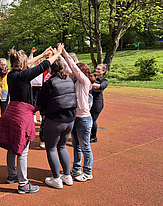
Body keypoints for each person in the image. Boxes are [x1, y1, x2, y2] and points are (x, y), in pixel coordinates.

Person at [0, 44, 63, 194]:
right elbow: (43, 66)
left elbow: (30, 64)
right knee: (22, 151)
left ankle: (12, 175)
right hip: (21, 115)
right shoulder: (23, 75)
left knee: (11, 147)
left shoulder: (11, 73)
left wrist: (43, 54)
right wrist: (58, 54)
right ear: (22, 65)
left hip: (11, 112)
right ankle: (23, 184)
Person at [36, 58, 77, 189]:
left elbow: (40, 101)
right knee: (62, 146)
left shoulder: (50, 83)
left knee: (51, 148)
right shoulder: (69, 80)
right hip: (70, 120)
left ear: (50, 68)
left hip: (55, 120)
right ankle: (67, 175)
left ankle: (56, 178)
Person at [61, 48, 96, 182]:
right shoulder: (75, 81)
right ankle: (76, 167)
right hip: (75, 118)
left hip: (83, 119)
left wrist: (65, 54)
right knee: (76, 145)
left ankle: (88, 171)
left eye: (76, 71)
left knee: (85, 146)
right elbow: (67, 68)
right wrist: (58, 55)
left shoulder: (84, 81)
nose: (72, 73)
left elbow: (73, 69)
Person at [90, 64, 109, 143]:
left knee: (92, 119)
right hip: (89, 101)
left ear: (103, 71)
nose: (96, 70)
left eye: (99, 69)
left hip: (97, 102)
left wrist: (89, 83)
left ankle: (94, 136)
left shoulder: (104, 81)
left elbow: (101, 86)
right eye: (96, 68)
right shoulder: (92, 77)